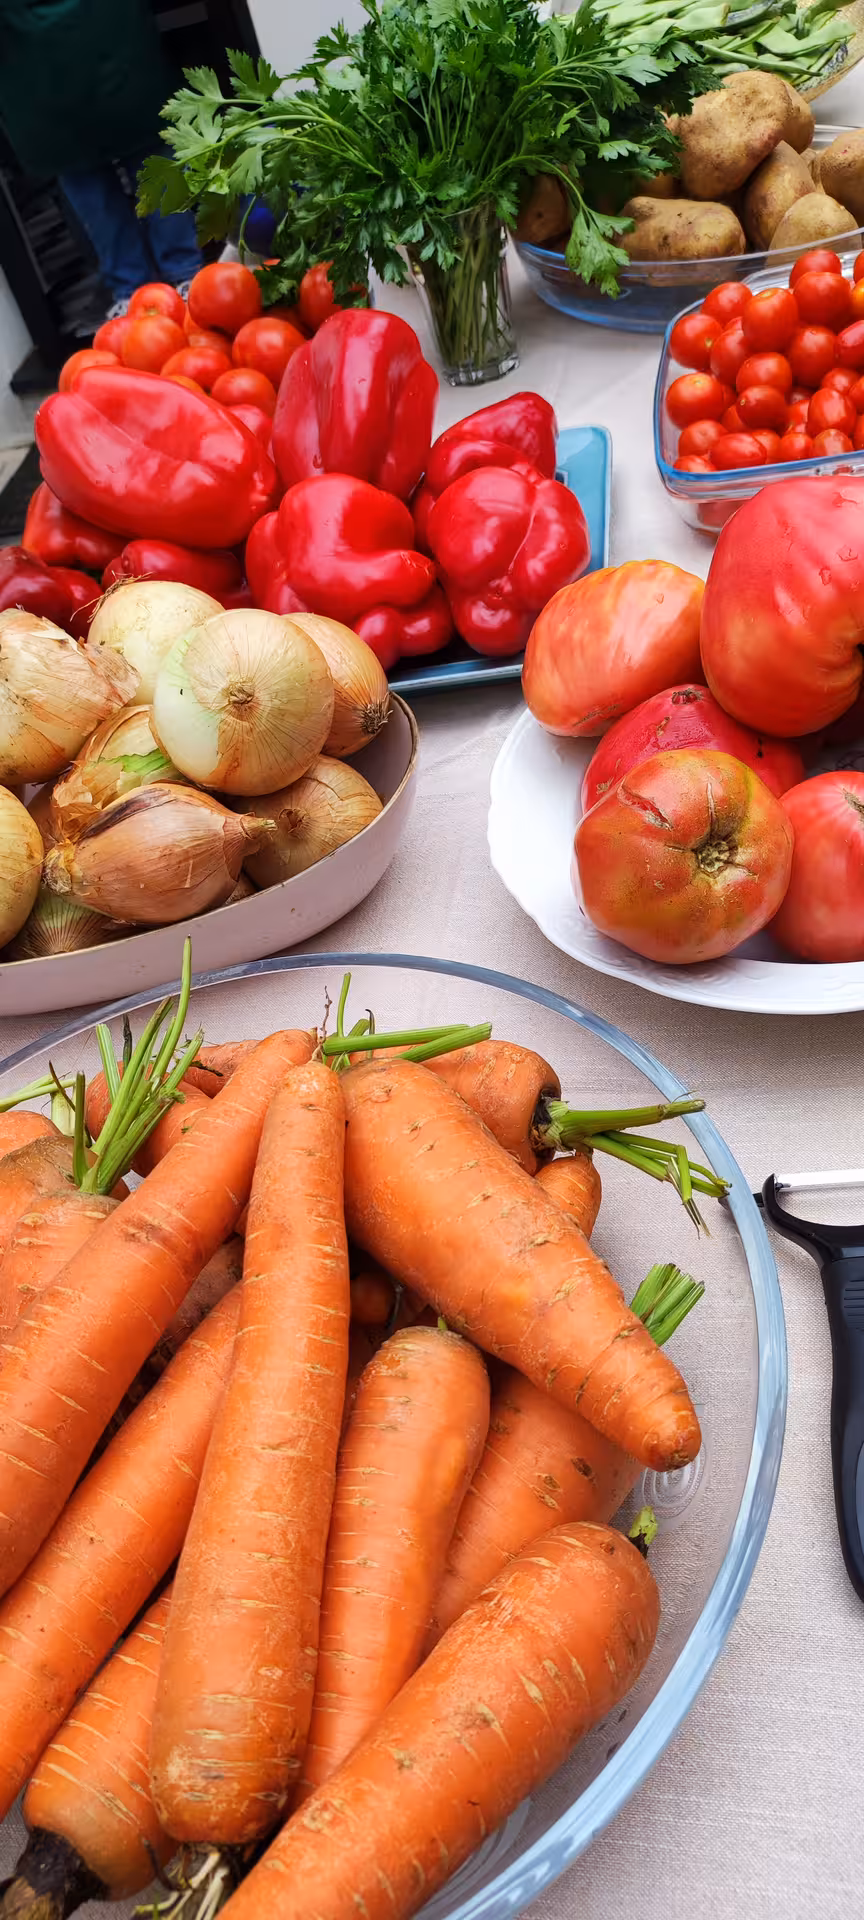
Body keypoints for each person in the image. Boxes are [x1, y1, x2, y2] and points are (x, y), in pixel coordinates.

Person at [0, 0, 202, 306]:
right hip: (92, 41)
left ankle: (138, 293)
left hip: (40, 58)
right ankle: (179, 278)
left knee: (94, 178)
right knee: (146, 159)